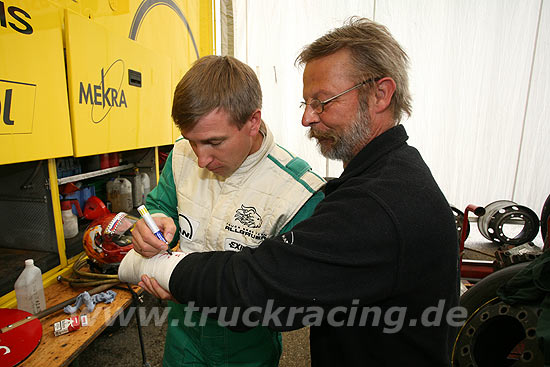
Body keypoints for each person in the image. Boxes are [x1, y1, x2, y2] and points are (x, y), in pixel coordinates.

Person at [134, 18, 460, 366]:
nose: (307, 118)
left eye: (322, 102)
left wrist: (175, 275)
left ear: (380, 94)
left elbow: (263, 287)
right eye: (305, 103)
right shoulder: (382, 177)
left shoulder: (378, 203)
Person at [130, 55, 326, 366]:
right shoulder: (181, 155)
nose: (201, 160)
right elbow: (158, 206)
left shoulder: (298, 193)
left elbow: (293, 297)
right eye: (193, 142)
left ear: (252, 121)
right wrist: (154, 221)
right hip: (183, 337)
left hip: (246, 349)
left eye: (214, 142)